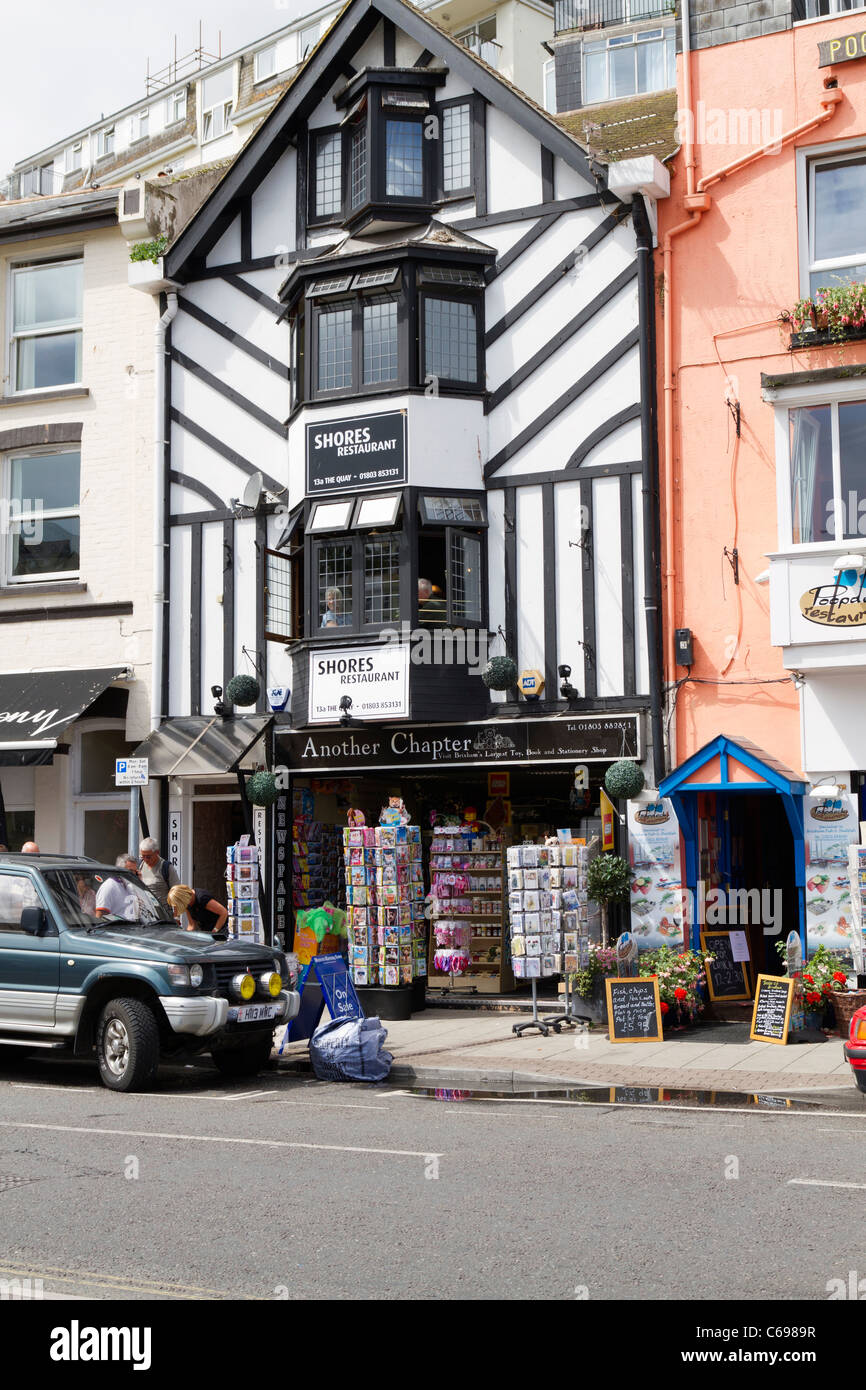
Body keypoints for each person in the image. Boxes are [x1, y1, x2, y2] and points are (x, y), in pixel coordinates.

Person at [138, 837, 179, 911]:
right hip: (144, 913)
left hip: (162, 913)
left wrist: (176, 916)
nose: (145, 859)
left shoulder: (166, 867)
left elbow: (177, 892)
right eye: (143, 856)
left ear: (157, 852)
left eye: (148, 857)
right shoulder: (139, 865)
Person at [95, 856, 141, 920]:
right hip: (116, 928)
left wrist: (139, 882)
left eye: (134, 871)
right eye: (130, 871)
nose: (132, 874)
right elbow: (100, 916)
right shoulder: (109, 886)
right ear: (119, 869)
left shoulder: (130, 886)